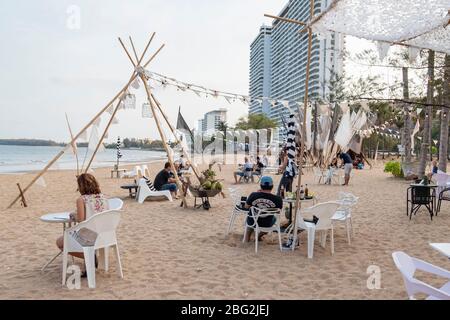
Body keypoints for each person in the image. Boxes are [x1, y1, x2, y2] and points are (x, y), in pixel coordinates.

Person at [56, 174, 109, 274]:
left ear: (81, 186)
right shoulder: (104, 197)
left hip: (89, 236)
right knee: (71, 237)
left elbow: (81, 220)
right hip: (104, 235)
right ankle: (90, 256)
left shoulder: (81, 200)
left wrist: (73, 216)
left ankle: (89, 256)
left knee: (60, 242)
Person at [243, 176, 283, 242]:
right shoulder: (278, 199)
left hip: (253, 222)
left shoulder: (254, 195)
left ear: (261, 185)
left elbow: (246, 206)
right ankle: (258, 237)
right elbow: (278, 212)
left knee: (251, 213)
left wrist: (258, 194)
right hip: (267, 224)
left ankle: (247, 239)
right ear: (272, 186)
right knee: (274, 218)